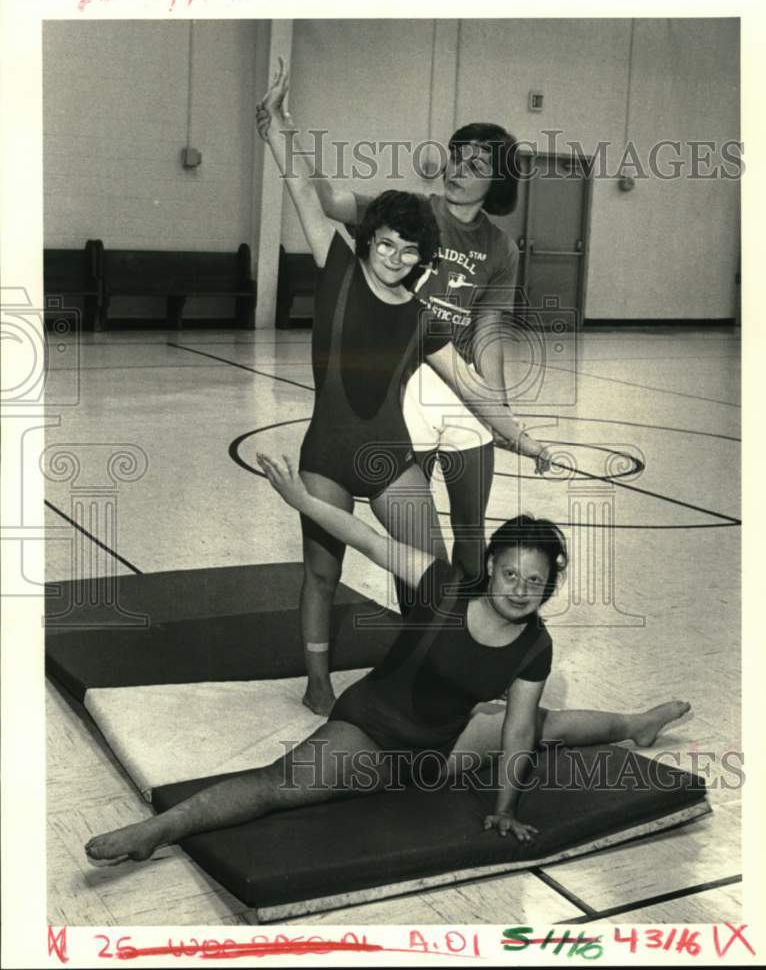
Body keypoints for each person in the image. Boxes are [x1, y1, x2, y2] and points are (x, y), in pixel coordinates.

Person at [85, 454, 690, 862]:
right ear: (491, 569)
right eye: (510, 572)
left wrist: (505, 809)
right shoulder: (444, 587)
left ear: (548, 588)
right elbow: (369, 539)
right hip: (370, 730)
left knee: (538, 726)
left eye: (534, 580)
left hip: (440, 750)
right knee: (280, 786)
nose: (519, 588)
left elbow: (518, 732)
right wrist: (301, 497)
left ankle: (633, 725)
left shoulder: (536, 643)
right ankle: (157, 831)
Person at [257, 60, 548, 717]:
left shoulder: (424, 318)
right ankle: (318, 679)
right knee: (322, 573)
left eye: (406, 250)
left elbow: (473, 386)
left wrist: (522, 437)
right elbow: (307, 195)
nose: (392, 254)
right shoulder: (338, 266)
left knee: (432, 572)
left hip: (387, 454)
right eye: (383, 244)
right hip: (326, 453)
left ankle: (433, 674)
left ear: (423, 259)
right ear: (369, 241)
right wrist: (276, 127)